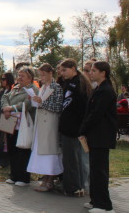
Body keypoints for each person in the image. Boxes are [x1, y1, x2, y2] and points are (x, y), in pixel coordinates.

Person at [80, 61, 117, 213]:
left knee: (100, 171)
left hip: (101, 135)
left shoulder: (106, 91)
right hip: (95, 135)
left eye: (94, 70)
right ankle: (95, 200)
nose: (91, 73)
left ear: (103, 73)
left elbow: (96, 114)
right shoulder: (99, 89)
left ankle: (104, 205)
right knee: (95, 169)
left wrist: (83, 128)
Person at [58, 58, 92, 197]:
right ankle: (75, 185)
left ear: (73, 68)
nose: (62, 73)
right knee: (70, 158)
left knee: (72, 159)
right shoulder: (68, 83)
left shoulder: (79, 83)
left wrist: (80, 127)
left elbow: (81, 107)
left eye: (64, 70)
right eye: (60, 71)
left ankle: (74, 187)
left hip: (74, 128)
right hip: (67, 126)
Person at [28, 63, 64, 192]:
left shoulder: (56, 87)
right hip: (41, 123)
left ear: (50, 73)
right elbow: (40, 103)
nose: (41, 77)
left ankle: (50, 180)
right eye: (40, 75)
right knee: (41, 150)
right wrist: (35, 101)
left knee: (50, 151)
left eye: (43, 74)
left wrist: (41, 103)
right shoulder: (43, 87)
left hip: (50, 123)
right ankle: (45, 178)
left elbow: (57, 106)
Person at [1, 67, 38, 187]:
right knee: (11, 148)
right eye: (19, 75)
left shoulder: (33, 89)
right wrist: (6, 108)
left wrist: (11, 108)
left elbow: (28, 104)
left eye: (22, 76)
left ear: (30, 78)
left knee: (22, 149)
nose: (19, 78)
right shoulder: (16, 87)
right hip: (9, 120)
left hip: (23, 123)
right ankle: (14, 175)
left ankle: (23, 177)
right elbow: (5, 97)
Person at [0, 73, 14, 168]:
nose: (2, 81)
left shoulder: (12, 90)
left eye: (4, 79)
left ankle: (4, 161)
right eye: (1, 79)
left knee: (4, 140)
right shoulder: (1, 91)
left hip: (7, 117)